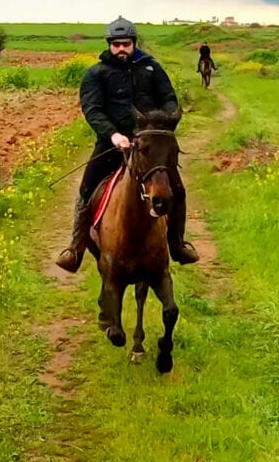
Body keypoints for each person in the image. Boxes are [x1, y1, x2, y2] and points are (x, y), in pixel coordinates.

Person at [55, 18, 197, 273]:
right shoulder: (96, 74)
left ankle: (177, 245)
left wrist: (159, 129)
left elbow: (169, 101)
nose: (122, 49)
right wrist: (113, 135)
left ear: (134, 44)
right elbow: (93, 109)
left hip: (149, 146)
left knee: (177, 189)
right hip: (113, 143)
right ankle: (75, 249)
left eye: (126, 44)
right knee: (86, 190)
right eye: (117, 44)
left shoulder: (152, 68)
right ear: (110, 45)